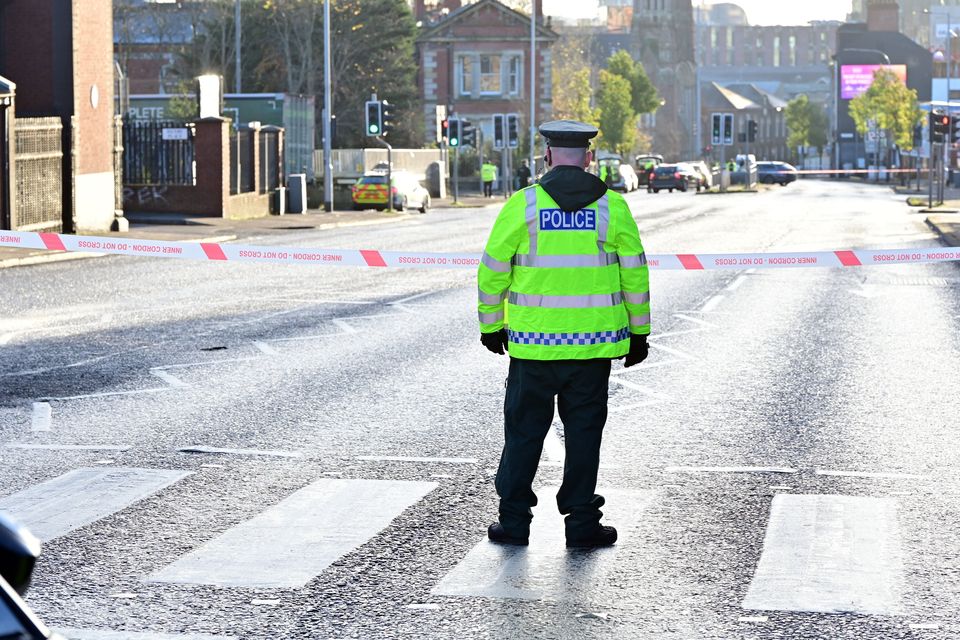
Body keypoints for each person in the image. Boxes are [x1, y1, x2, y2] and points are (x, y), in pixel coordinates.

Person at [476, 120, 651, 549]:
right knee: (585, 436)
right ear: (589, 158)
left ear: (548, 156)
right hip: (592, 351)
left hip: (533, 348)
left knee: (523, 435)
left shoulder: (524, 205)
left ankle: (514, 523)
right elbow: (635, 275)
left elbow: (493, 270)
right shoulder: (613, 208)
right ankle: (582, 523)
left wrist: (491, 325)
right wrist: (639, 333)